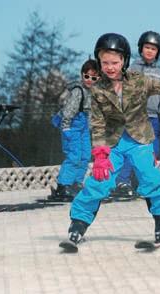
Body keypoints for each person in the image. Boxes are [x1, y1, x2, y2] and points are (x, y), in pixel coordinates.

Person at [59, 33, 160, 251]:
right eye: (105, 62)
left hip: (140, 142)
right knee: (98, 182)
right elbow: (97, 124)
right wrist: (100, 155)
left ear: (124, 61)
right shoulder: (98, 91)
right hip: (113, 146)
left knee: (150, 178)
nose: (110, 67)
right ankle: (78, 226)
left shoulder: (138, 81)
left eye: (115, 62)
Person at [115, 31, 160, 196]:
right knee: (133, 150)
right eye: (147, 47)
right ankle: (122, 181)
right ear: (141, 48)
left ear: (157, 52)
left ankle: (143, 182)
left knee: (152, 151)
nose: (149, 51)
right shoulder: (133, 69)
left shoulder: (159, 73)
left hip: (154, 118)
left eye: (153, 48)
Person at [51, 59, 100, 200]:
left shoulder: (92, 92)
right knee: (74, 155)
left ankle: (76, 183)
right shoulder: (78, 91)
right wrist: (66, 127)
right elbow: (69, 110)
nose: (89, 80)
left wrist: (91, 128)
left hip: (83, 127)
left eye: (93, 78)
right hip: (72, 125)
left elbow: (90, 112)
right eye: (87, 76)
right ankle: (63, 185)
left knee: (85, 155)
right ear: (82, 75)